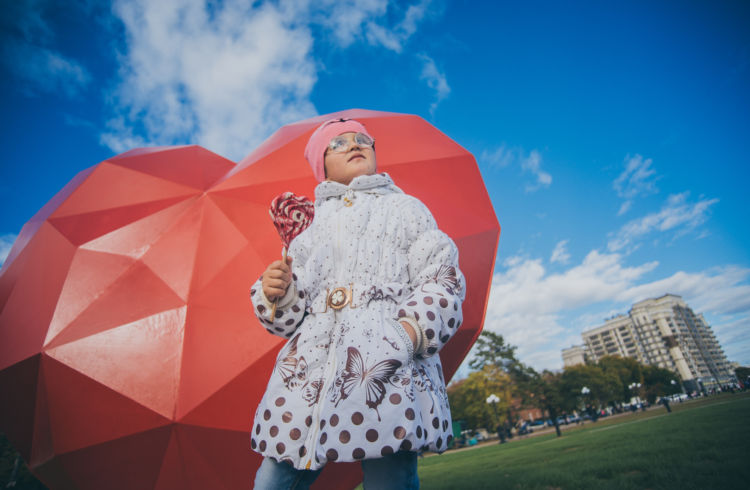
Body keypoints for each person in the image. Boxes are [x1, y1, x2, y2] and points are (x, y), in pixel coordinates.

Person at [249, 118, 465, 489]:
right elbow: (291, 317)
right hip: (309, 373)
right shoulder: (309, 231)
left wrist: (407, 335)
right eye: (338, 143)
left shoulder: (406, 209)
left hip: (384, 366)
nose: (354, 144)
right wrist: (279, 293)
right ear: (322, 166)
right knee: (276, 475)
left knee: (390, 473)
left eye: (362, 139)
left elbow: (441, 275)